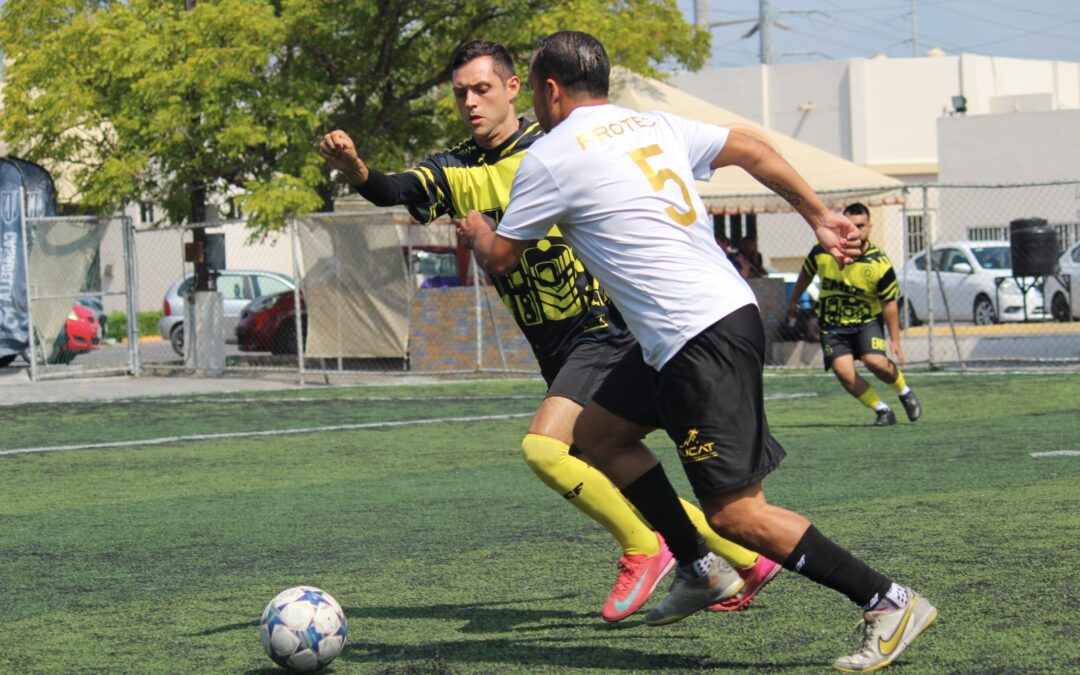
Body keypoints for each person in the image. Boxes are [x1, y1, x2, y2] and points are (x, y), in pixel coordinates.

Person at [459, 30, 936, 671]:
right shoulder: (648, 124)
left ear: (547, 90)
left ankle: (887, 600)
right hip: (694, 327)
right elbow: (752, 148)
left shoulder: (551, 155)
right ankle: (697, 567)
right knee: (597, 437)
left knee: (740, 515)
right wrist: (817, 213)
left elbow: (502, 258)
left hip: (697, 337)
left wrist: (477, 228)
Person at [319, 39, 778, 622]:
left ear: (517, 89)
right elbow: (396, 189)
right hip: (556, 345)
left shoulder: (558, 146)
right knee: (604, 454)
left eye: (481, 89)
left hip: (605, 329)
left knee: (545, 447)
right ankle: (742, 555)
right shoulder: (456, 167)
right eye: (460, 93)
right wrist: (358, 171)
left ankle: (649, 549)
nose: (470, 102)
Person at [786, 203, 922, 427]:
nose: (855, 231)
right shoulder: (822, 250)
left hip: (866, 323)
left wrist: (895, 339)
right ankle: (882, 410)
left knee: (875, 362)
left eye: (860, 226)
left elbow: (889, 303)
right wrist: (793, 301)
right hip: (832, 324)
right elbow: (806, 274)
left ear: (869, 227)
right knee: (844, 372)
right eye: (850, 225)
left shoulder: (879, 262)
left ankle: (904, 391)